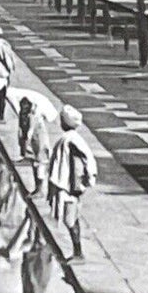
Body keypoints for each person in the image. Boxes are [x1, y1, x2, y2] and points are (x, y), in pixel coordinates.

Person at [47, 105, 98, 261]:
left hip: (69, 185)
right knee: (69, 217)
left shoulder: (72, 139)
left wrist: (90, 176)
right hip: (67, 183)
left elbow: (87, 157)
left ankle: (78, 253)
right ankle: (77, 251)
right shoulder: (69, 137)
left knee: (69, 219)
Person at [17, 94, 53, 193]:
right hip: (35, 141)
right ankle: (37, 188)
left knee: (40, 164)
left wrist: (26, 143)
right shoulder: (23, 114)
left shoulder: (33, 116)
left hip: (40, 142)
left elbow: (30, 131)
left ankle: (40, 190)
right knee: (35, 164)